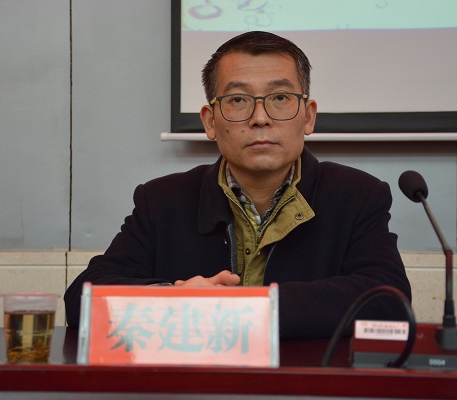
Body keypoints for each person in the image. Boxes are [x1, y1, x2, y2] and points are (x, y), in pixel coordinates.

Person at [65, 31, 411, 338]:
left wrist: (243, 310)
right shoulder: (161, 201)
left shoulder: (357, 196)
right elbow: (82, 299)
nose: (260, 118)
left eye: (280, 98)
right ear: (210, 122)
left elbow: (389, 302)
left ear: (308, 116)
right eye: (238, 100)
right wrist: (173, 299)